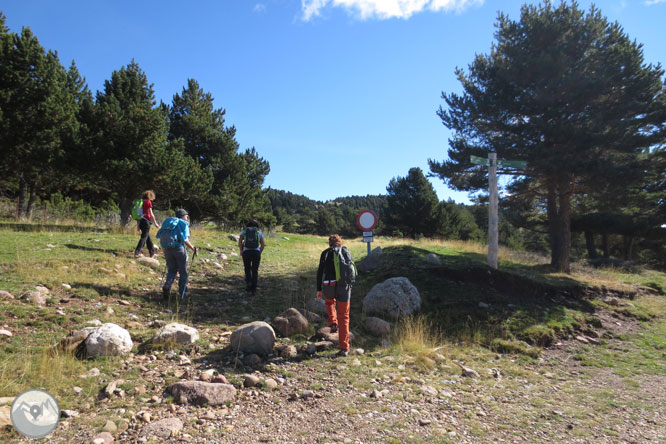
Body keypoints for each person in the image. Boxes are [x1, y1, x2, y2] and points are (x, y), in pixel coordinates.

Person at [316, 234, 352, 357]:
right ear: (340, 242)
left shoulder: (325, 253)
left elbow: (320, 271)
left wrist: (319, 289)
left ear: (329, 243)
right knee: (344, 317)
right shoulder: (345, 251)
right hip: (344, 287)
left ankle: (333, 323)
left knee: (330, 302)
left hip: (329, 284)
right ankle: (344, 348)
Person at [156, 208, 197, 301]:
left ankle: (167, 286)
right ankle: (183, 292)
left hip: (167, 249)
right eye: (186, 216)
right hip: (179, 249)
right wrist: (193, 248)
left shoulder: (168, 222)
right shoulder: (183, 224)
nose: (187, 218)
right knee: (183, 271)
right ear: (183, 216)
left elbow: (159, 234)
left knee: (171, 270)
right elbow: (184, 239)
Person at [238, 219, 265, 295]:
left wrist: (241, 250)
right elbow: (262, 244)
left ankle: (248, 283)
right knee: (255, 269)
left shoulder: (244, 232)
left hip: (246, 252)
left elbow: (240, 241)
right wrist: (259, 252)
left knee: (247, 268)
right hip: (256, 252)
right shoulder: (259, 233)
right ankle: (254, 288)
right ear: (257, 226)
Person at [134, 190, 160, 258]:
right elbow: (151, 214)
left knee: (147, 237)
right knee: (144, 237)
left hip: (141, 221)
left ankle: (152, 253)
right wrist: (156, 223)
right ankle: (137, 251)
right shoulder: (148, 202)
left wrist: (138, 225)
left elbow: (139, 215)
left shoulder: (141, 202)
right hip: (146, 222)